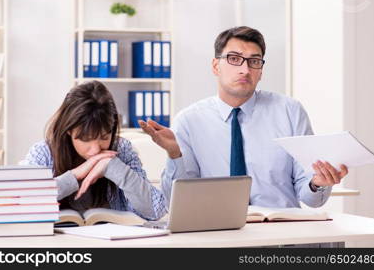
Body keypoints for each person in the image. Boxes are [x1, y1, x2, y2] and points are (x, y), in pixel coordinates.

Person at [139, 26, 348, 208]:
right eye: (234, 59)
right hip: (217, 231)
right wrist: (174, 154)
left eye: (254, 61)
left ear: (261, 71)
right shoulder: (189, 121)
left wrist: (317, 184)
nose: (245, 69)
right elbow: (175, 198)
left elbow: (312, 199)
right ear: (215, 66)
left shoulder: (289, 111)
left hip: (281, 231)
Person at [20, 81, 167, 220]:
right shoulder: (44, 153)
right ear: (69, 130)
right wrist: (75, 175)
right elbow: (22, 205)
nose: (96, 150)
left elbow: (156, 210)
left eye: (104, 137)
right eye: (85, 139)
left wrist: (114, 168)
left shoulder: (121, 150)